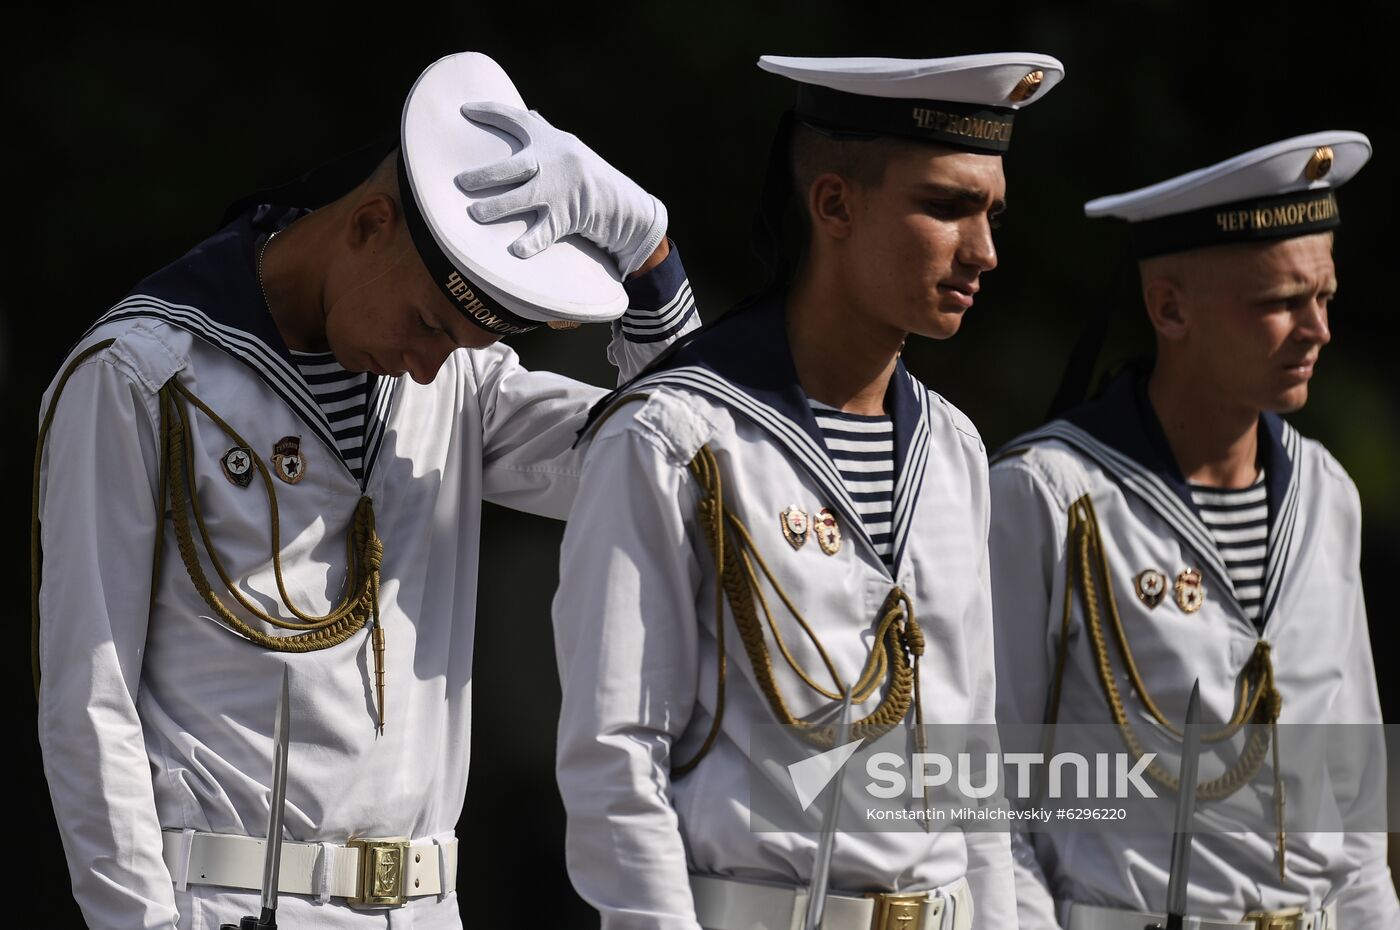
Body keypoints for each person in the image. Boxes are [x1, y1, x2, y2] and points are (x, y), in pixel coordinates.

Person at [33, 51, 699, 930]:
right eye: (430, 323)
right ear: (368, 223)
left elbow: (684, 479)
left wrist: (654, 268)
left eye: (462, 344)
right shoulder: (141, 375)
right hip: (228, 907)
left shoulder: (457, 384)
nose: (432, 364)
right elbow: (89, 702)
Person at [550, 53, 1063, 930]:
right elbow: (617, 759)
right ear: (834, 205)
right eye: (946, 206)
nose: (984, 251)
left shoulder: (955, 450)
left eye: (992, 213)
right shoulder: (675, 436)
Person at [988, 132, 1399, 928]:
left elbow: (1353, 818)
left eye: (1326, 298)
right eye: (1280, 302)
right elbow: (990, 803)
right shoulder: (1048, 495)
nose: (1317, 330)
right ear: (1168, 307)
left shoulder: (1327, 495)